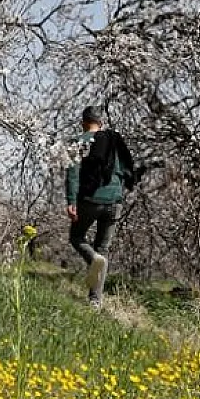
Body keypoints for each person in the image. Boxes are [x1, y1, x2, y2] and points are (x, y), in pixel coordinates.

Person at [64, 105, 137, 308]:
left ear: (83, 123)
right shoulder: (113, 142)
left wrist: (71, 200)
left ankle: (93, 258)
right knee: (103, 249)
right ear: (101, 122)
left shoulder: (78, 142)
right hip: (115, 201)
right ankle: (95, 302)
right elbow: (126, 170)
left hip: (90, 200)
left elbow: (72, 174)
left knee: (77, 238)